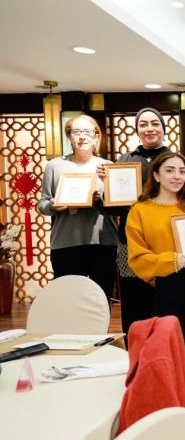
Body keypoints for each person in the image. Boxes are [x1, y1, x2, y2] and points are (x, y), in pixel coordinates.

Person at [125, 152, 185, 407]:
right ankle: (171, 409)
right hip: (169, 285)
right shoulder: (140, 211)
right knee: (169, 349)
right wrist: (172, 260)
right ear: (155, 175)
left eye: (182, 171)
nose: (177, 176)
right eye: (170, 170)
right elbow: (138, 258)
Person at [97, 108, 173, 339]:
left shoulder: (174, 160)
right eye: (143, 124)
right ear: (137, 130)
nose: (149, 128)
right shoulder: (125, 161)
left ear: (163, 128)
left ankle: (165, 352)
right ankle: (136, 353)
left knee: (166, 299)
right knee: (133, 300)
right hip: (130, 241)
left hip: (165, 241)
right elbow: (112, 208)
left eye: (155, 123)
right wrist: (107, 186)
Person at [39, 115, 118, 303]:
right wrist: (54, 205)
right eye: (76, 132)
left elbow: (118, 206)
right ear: (69, 136)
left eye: (87, 132)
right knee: (69, 300)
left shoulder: (106, 166)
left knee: (100, 299)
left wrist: (100, 200)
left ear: (96, 137)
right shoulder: (55, 166)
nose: (82, 136)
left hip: (103, 242)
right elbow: (42, 205)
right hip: (66, 242)